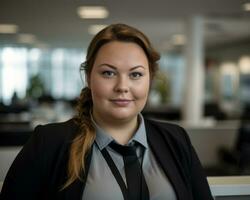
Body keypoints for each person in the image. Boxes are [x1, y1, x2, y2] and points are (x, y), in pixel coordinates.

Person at [0, 23, 213, 200]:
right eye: (108, 73)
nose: (122, 86)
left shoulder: (176, 139)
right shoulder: (48, 143)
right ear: (89, 77)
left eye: (136, 75)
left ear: (150, 80)